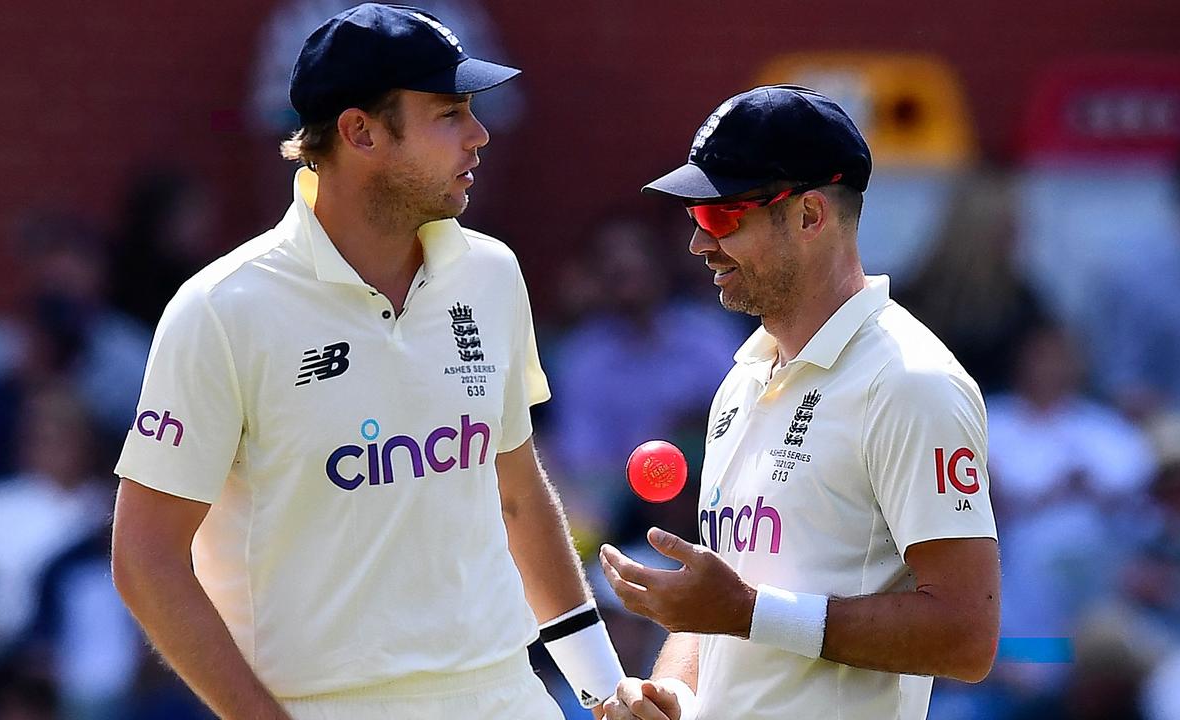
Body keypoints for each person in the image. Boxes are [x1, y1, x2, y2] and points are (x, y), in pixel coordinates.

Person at [109, 5, 623, 720]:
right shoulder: (221, 309)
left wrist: (604, 688)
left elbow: (515, 492)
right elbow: (146, 558)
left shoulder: (492, 274)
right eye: (449, 114)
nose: (479, 136)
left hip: (507, 693)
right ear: (360, 132)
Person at [597, 85, 1001, 720]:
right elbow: (722, 604)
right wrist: (672, 693)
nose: (699, 244)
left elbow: (965, 636)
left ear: (811, 216)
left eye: (721, 216)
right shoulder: (743, 376)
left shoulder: (911, 382)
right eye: (695, 218)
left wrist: (745, 613)